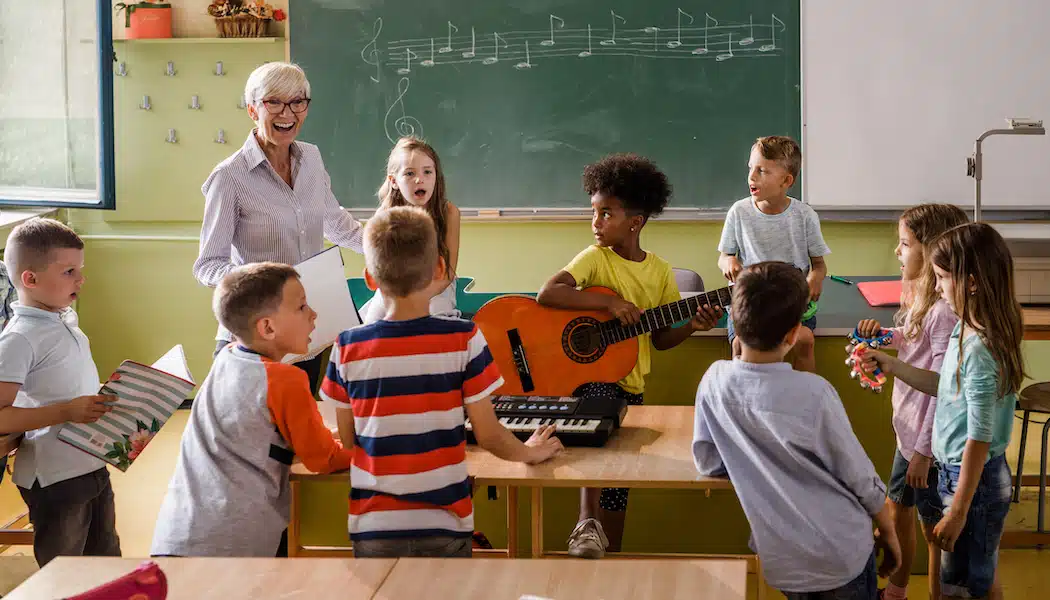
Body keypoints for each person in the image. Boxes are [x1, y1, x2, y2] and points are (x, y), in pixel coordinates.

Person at [321, 206, 562, 558]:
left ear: (370, 279)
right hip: (445, 522)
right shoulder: (463, 338)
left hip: (374, 527)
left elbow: (349, 438)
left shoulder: (346, 346)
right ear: (438, 270)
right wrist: (530, 452)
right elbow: (489, 435)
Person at [536, 153, 721, 558]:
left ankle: (611, 551)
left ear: (635, 222)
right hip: (590, 384)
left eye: (606, 214)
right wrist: (607, 305)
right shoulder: (594, 258)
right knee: (594, 442)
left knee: (619, 480)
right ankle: (586, 526)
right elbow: (548, 293)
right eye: (594, 213)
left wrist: (692, 325)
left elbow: (661, 340)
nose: (596, 222)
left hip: (632, 385)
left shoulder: (658, 273)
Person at [693, 261, 901, 599]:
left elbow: (708, 462)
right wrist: (889, 530)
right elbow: (859, 476)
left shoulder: (714, 381)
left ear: (734, 321)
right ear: (794, 334)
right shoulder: (814, 392)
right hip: (840, 554)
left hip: (784, 560)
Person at [859, 223, 1023, 600]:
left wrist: (959, 511)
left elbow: (979, 438)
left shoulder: (980, 349)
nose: (937, 286)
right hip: (957, 476)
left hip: (973, 485)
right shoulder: (964, 329)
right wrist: (891, 364)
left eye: (943, 277)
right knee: (962, 582)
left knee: (966, 588)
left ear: (972, 282)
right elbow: (943, 388)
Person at [152, 262, 352, 557]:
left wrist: (330, 435)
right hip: (233, 542)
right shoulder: (286, 380)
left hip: (180, 531)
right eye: (301, 307)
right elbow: (324, 459)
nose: (313, 314)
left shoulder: (227, 359)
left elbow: (260, 435)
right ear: (267, 327)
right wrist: (369, 451)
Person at [192, 61, 364, 392]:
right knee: (251, 439)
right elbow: (207, 265)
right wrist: (259, 284)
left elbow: (339, 227)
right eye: (274, 102)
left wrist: (390, 251)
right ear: (252, 109)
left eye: (297, 102)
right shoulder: (229, 177)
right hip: (254, 338)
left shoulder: (311, 159)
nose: (288, 112)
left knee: (294, 436)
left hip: (302, 333)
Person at [853, 203, 967, 600]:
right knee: (898, 508)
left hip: (927, 443)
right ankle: (897, 590)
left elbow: (942, 388)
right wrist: (886, 337)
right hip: (910, 434)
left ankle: (933, 593)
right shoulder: (919, 297)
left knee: (933, 527)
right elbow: (911, 342)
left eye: (905, 244)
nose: (897, 252)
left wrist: (923, 453)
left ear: (933, 250)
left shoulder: (943, 314)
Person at [0, 217, 120, 567]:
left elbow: (67, 390)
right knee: (63, 571)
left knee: (106, 560)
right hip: (54, 476)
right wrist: (68, 411)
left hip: (91, 461)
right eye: (69, 271)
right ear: (30, 279)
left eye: (80, 270)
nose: (81, 279)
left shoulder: (63, 322)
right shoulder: (19, 338)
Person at [717, 135, 830, 371]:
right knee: (739, 345)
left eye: (762, 171)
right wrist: (728, 262)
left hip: (791, 301)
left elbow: (819, 265)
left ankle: (803, 400)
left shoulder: (804, 216)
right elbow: (724, 256)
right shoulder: (738, 212)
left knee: (806, 341)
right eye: (751, 168)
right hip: (750, 301)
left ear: (786, 180)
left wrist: (815, 279)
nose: (752, 176)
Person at [360, 136, 461, 322]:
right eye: (409, 173)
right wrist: (401, 300)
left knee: (433, 321)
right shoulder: (384, 214)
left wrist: (416, 301)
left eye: (427, 172)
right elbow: (377, 268)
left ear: (436, 176)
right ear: (393, 181)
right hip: (394, 289)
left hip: (436, 286)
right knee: (372, 324)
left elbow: (447, 273)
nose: (419, 180)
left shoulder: (449, 213)